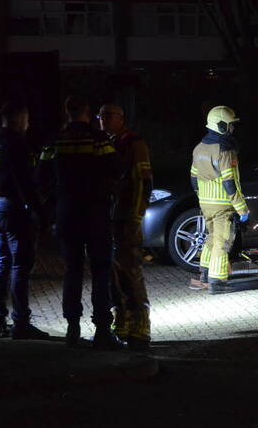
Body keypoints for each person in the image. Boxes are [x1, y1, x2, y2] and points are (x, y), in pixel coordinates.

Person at [38, 96, 120, 349]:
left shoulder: (55, 141)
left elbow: (40, 176)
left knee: (72, 272)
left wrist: (56, 199)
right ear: (87, 112)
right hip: (95, 214)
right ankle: (103, 331)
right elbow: (116, 169)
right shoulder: (99, 140)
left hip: (67, 214)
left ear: (67, 112)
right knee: (101, 271)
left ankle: (72, 328)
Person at [0, 100, 50, 340]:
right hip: (14, 210)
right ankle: (21, 323)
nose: (28, 125)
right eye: (27, 120)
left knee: (2, 264)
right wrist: (41, 212)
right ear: (19, 118)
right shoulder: (15, 144)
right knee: (20, 267)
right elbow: (26, 184)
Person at [98, 103, 153, 350]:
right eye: (101, 116)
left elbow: (143, 183)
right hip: (111, 218)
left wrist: (135, 217)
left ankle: (140, 329)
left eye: (108, 116)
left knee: (130, 273)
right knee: (114, 275)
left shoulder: (134, 144)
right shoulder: (106, 143)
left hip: (126, 218)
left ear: (121, 119)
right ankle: (122, 324)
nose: (103, 120)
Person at [190, 106, 248, 294]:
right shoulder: (225, 150)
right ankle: (218, 281)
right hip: (223, 204)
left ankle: (205, 273)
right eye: (230, 126)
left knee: (212, 238)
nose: (233, 129)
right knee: (223, 242)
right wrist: (242, 209)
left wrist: (201, 197)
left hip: (206, 204)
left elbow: (193, 178)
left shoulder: (199, 148)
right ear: (221, 126)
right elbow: (230, 182)